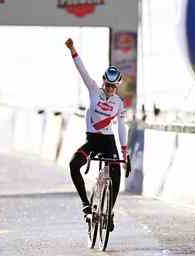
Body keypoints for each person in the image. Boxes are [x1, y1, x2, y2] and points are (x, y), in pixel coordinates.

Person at [65, 38, 128, 232]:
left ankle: (109, 213)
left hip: (109, 142)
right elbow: (82, 70)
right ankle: (86, 204)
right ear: (103, 82)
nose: (109, 89)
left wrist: (125, 152)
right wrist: (73, 49)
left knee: (117, 174)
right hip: (92, 140)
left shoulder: (119, 103)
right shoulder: (93, 89)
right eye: (107, 85)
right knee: (73, 165)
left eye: (112, 86)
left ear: (117, 87)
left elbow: (122, 128)